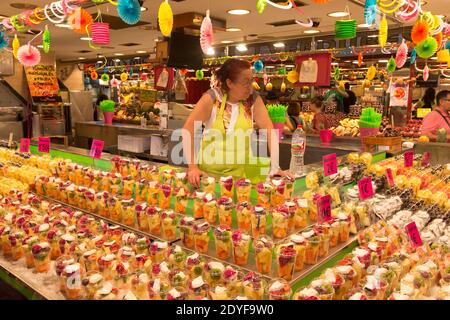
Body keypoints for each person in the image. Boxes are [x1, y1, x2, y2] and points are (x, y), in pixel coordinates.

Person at [182, 58, 289, 187]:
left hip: (241, 180)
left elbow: (270, 131)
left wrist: (275, 167)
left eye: (251, 81)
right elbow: (188, 129)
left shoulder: (253, 100)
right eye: (245, 83)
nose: (250, 88)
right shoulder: (212, 98)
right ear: (230, 83)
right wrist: (193, 167)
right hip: (209, 179)